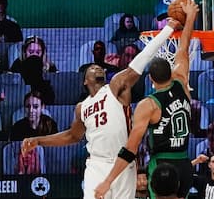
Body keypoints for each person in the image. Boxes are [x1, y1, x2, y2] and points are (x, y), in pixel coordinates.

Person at [22, 16, 181, 198]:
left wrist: (168, 29)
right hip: (96, 164)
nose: (97, 68)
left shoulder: (115, 86)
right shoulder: (82, 107)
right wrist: (39, 140)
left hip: (123, 162)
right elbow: (72, 136)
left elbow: (142, 59)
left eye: (100, 68)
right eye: (92, 68)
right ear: (84, 80)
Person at [94, 0, 199, 199]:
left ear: (150, 79)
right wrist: (191, 17)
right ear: (171, 72)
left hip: (162, 165)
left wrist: (108, 181)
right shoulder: (182, 83)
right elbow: (183, 49)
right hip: (185, 163)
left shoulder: (148, 105)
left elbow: (131, 148)